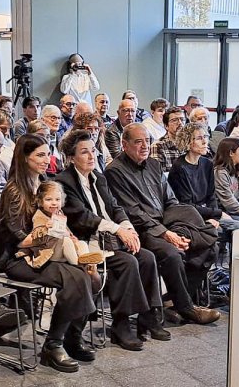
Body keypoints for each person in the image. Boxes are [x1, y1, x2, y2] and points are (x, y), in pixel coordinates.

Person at [0, 134, 98, 372]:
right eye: (40, 154)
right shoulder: (14, 190)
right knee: (76, 277)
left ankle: (72, 336)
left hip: (46, 250)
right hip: (19, 258)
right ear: (24, 157)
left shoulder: (43, 183)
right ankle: (53, 345)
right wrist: (49, 233)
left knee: (89, 274)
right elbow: (18, 241)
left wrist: (64, 232)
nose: (47, 158)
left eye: (48, 152)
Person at [57, 129, 165, 351]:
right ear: (71, 157)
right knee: (128, 262)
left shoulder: (98, 177)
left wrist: (128, 228)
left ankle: (148, 317)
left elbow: (115, 207)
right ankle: (121, 324)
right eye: (84, 152)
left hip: (109, 238)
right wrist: (118, 230)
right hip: (87, 242)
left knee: (146, 257)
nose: (91, 156)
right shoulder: (64, 181)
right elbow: (82, 217)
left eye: (93, 151)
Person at [106, 123, 222, 325]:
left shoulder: (153, 164)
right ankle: (187, 308)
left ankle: (172, 301)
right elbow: (133, 212)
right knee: (172, 253)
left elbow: (171, 200)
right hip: (140, 230)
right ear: (124, 144)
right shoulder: (114, 171)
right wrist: (166, 234)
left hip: (166, 220)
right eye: (138, 142)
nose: (145, 146)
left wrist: (178, 230)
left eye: (148, 141)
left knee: (210, 245)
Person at [169, 123, 239, 247]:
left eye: (205, 137)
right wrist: (215, 214)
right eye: (199, 138)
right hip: (190, 215)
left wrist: (215, 216)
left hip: (207, 212)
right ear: (188, 142)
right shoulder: (179, 167)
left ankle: (231, 262)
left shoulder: (206, 164)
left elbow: (211, 196)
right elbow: (186, 205)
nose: (204, 142)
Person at [17, 181, 106, 273]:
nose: (54, 203)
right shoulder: (39, 216)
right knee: (65, 241)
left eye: (57, 200)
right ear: (40, 202)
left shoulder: (59, 213)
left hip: (62, 250)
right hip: (49, 251)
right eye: (48, 200)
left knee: (81, 243)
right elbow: (36, 235)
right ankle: (78, 264)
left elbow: (64, 229)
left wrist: (72, 237)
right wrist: (46, 228)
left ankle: (86, 260)